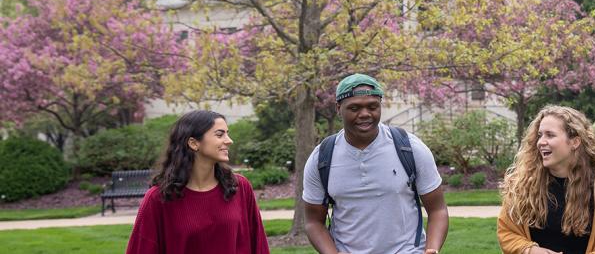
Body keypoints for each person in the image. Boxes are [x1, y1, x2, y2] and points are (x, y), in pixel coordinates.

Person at [302, 74, 447, 254]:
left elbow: (437, 210)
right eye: (354, 108)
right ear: (339, 108)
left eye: (372, 106)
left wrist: (432, 249)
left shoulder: (409, 148)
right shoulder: (322, 158)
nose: (365, 114)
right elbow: (313, 221)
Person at [126, 110, 269, 254]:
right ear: (194, 143)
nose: (229, 140)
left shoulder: (239, 187)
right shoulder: (158, 198)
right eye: (220, 134)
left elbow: (259, 245)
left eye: (227, 133)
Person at [497, 106, 595, 254]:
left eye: (550, 135)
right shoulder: (523, 183)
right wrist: (530, 250)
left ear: (575, 142)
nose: (541, 142)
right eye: (540, 135)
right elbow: (507, 232)